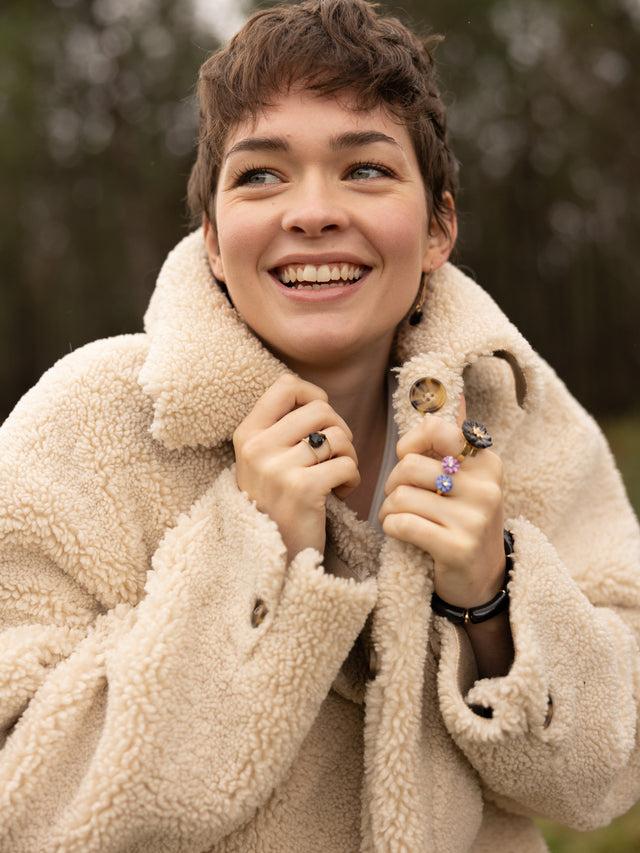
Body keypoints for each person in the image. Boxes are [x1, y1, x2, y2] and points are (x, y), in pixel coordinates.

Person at [1, 0, 639, 850]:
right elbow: (28, 806)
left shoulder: (517, 414)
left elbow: (604, 779)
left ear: (440, 224)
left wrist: (492, 594)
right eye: (261, 174)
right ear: (216, 242)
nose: (312, 211)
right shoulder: (84, 425)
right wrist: (249, 549)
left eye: (365, 170)